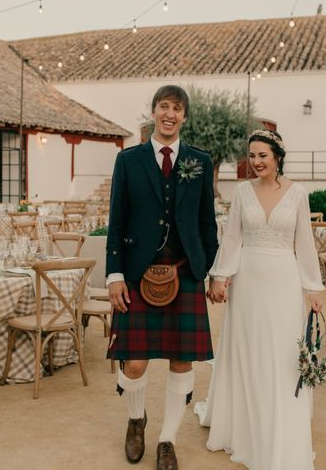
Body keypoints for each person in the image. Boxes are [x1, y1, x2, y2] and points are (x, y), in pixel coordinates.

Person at [195, 129, 324, 470]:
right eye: (251, 156)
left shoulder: (298, 193)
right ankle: (245, 425)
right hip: (248, 282)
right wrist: (220, 276)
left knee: (282, 353)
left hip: (285, 281)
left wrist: (314, 287)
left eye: (262, 156)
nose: (255, 162)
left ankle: (281, 424)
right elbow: (232, 237)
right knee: (249, 350)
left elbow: (305, 243)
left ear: (277, 157)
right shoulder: (241, 192)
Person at [106, 85, 219, 470]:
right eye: (164, 107)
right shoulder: (128, 160)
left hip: (185, 272)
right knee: (134, 363)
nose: (170, 114)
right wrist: (114, 275)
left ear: (185, 116)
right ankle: (136, 420)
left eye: (177, 109)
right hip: (137, 273)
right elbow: (116, 222)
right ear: (154, 112)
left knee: (181, 361)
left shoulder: (200, 162)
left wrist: (213, 271)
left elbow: (207, 223)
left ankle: (167, 440)